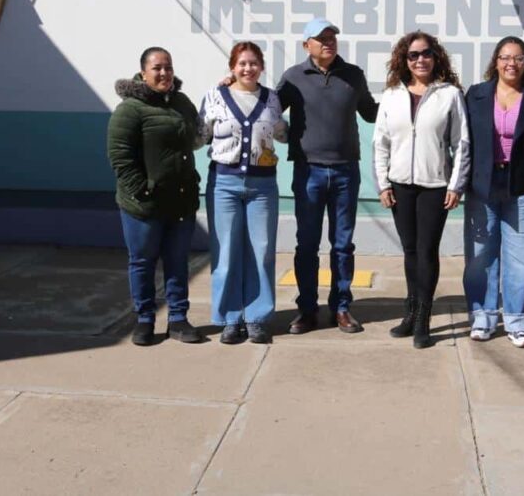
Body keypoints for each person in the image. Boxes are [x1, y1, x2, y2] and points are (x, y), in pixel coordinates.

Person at [277, 18, 379, 334]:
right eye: (321, 38)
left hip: (346, 171)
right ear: (306, 44)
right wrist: (234, 87)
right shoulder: (293, 78)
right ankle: (307, 310)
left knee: (343, 245)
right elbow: (267, 110)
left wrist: (406, 93)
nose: (328, 43)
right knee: (307, 244)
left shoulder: (353, 75)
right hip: (308, 172)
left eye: (332, 37)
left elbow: (372, 113)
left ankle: (341, 308)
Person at [373, 31, 470, 349]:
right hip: (400, 185)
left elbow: (461, 143)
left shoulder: (449, 94)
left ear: (435, 56)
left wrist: (456, 185)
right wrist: (383, 183)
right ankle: (410, 312)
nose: (420, 60)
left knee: (426, 251)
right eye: (413, 55)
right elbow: (380, 143)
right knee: (410, 251)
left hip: (435, 186)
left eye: (426, 53)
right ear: (404, 60)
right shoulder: (392, 95)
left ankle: (423, 320)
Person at [463, 37, 524, 348]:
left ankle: (519, 323)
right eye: (505, 57)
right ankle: (483, 318)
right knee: (480, 257)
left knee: (521, 258)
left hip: (523, 188)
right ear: (495, 61)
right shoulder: (476, 95)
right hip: (482, 186)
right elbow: (462, 141)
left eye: (518, 58)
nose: (511, 64)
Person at [107, 47, 203, 346]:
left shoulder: (182, 102)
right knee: (142, 262)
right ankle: (145, 319)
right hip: (143, 206)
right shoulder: (130, 109)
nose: (164, 73)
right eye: (157, 68)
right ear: (143, 72)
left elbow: (194, 139)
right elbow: (120, 157)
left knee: (178, 262)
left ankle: (178, 318)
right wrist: (143, 190)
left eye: (168, 67)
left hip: (181, 201)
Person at [200, 42, 288, 345]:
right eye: (242, 63)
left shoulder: (272, 99)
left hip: (263, 187)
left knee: (261, 251)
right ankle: (230, 318)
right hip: (223, 184)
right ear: (232, 67)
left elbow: (282, 133)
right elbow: (199, 135)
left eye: (253, 63)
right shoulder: (215, 96)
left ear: (261, 66)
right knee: (226, 252)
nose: (248, 68)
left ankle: (257, 318)